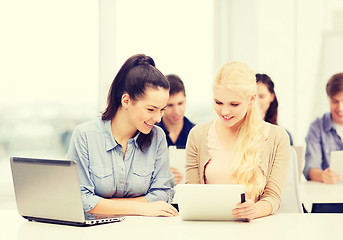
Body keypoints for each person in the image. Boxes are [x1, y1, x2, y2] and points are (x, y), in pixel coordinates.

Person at [67, 54, 178, 217]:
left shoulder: (157, 137)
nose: (158, 118)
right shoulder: (85, 136)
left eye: (162, 110)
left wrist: (103, 204)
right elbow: (80, 199)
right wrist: (142, 207)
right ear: (126, 101)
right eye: (151, 109)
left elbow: (163, 194)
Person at [186, 61, 290, 221]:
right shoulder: (198, 135)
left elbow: (273, 198)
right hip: (208, 227)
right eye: (218, 102)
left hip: (251, 229)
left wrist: (253, 211)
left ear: (252, 99)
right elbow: (191, 193)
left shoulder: (277, 137)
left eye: (234, 104)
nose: (225, 111)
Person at [303, 72, 343, 213]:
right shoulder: (317, 127)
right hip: (327, 201)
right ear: (328, 99)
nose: (340, 108)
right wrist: (323, 176)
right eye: (335, 101)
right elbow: (310, 168)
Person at [156, 74, 195, 184]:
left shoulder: (196, 133)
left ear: (186, 99)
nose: (177, 111)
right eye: (170, 105)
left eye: (180, 103)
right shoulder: (151, 134)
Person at [256, 73, 293, 145]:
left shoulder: (283, 135)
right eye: (253, 97)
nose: (256, 101)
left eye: (261, 96)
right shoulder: (237, 132)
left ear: (271, 97)